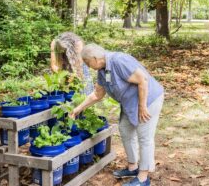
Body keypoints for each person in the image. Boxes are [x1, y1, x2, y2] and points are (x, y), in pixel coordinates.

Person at [70, 44, 164, 186]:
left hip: (147, 100)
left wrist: (142, 106)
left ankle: (143, 178)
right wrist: (78, 108)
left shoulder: (119, 61)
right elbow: (97, 94)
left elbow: (142, 80)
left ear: (95, 59)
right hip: (130, 103)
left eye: (88, 63)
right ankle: (133, 167)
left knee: (144, 137)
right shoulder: (102, 71)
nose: (88, 67)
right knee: (125, 131)